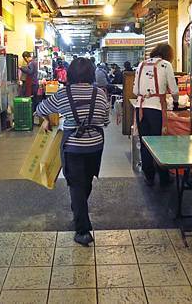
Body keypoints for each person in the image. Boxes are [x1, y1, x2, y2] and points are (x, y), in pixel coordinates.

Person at [36, 58, 110, 246]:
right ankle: (79, 209)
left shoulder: (63, 94)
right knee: (86, 182)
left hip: (73, 146)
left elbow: (40, 108)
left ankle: (83, 231)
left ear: (70, 74)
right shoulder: (100, 94)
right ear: (91, 74)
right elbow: (106, 120)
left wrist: (46, 119)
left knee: (76, 185)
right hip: (95, 145)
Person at [134, 43, 179, 186]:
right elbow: (174, 90)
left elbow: (135, 90)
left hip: (140, 108)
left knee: (145, 142)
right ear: (168, 54)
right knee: (160, 144)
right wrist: (176, 102)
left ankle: (149, 176)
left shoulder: (141, 65)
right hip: (156, 109)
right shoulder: (165, 65)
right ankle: (164, 178)